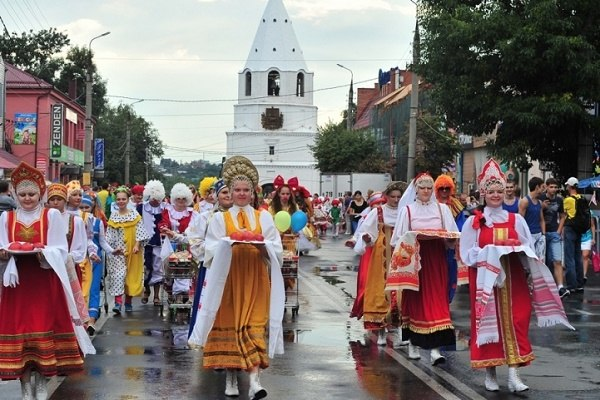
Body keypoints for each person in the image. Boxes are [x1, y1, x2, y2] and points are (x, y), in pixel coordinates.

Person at [460, 159, 573, 393]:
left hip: (514, 279)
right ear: (483, 193)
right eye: (490, 191)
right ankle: (490, 372)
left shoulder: (516, 220)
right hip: (486, 282)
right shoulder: (474, 222)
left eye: (499, 191)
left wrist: (520, 253)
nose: (495, 195)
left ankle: (514, 374)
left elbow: (527, 247)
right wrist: (487, 253)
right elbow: (466, 255)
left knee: (518, 320)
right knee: (489, 327)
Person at [189, 156, 284, 399]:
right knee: (232, 327)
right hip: (229, 280)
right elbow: (209, 251)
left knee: (254, 326)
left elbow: (276, 248)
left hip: (255, 279)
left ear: (253, 192)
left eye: (246, 190)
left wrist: (262, 246)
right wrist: (228, 244)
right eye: (237, 190)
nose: (242, 194)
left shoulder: (263, 217)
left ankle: (254, 382)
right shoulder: (220, 218)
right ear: (230, 192)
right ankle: (231, 376)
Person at [0, 162, 94, 399]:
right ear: (14, 194)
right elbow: (3, 246)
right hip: (18, 284)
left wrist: (45, 253)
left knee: (43, 329)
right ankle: (24, 386)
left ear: (40, 193)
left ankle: (42, 382)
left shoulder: (51, 215)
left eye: (32, 194)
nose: (27, 198)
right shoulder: (6, 218)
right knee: (20, 331)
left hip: (44, 281)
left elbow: (61, 250)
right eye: (22, 194)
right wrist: (3, 253)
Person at [389, 173, 459, 366]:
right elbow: (398, 238)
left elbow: (451, 234)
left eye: (429, 188)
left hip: (436, 257)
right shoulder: (408, 211)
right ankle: (413, 342)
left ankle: (436, 350)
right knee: (415, 299)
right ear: (416, 190)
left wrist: (451, 240)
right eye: (422, 188)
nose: (426, 191)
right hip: (415, 258)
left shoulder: (443, 209)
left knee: (438, 299)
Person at [351, 182, 404, 346]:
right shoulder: (378, 212)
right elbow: (367, 232)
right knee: (380, 292)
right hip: (381, 256)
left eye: (398, 197)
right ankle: (380, 332)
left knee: (401, 293)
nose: (395, 200)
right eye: (392, 197)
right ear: (386, 197)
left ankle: (402, 332)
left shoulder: (404, 212)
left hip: (400, 255)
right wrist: (367, 238)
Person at [186, 178, 232, 338]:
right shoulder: (205, 217)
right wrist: (218, 250)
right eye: (224, 192)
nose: (228, 196)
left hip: (235, 270)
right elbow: (195, 242)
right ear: (217, 196)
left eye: (230, 192)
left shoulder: (242, 217)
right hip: (211, 268)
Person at [106, 186, 151, 314]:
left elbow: (140, 231)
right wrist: (113, 248)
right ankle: (118, 303)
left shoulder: (134, 214)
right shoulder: (113, 216)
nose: (121, 201)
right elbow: (109, 235)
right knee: (118, 276)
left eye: (123, 199)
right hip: (118, 252)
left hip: (132, 250)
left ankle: (128, 302)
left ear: (128, 199)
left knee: (130, 276)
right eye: (118, 199)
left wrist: (137, 245)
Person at [158, 183, 196, 304]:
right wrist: (165, 229)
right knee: (169, 269)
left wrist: (184, 234)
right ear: (174, 199)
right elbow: (163, 223)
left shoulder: (192, 213)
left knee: (182, 269)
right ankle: (170, 286)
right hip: (170, 245)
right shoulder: (168, 211)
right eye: (178, 198)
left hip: (184, 246)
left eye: (184, 199)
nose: (181, 201)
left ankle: (181, 294)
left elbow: (194, 229)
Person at [434, 174, 467, 302]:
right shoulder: (432, 204)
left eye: (447, 188)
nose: (444, 191)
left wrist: (453, 237)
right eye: (441, 188)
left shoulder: (455, 204)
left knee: (451, 273)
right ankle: (437, 300)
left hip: (452, 245)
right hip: (435, 244)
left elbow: (461, 225)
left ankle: (447, 299)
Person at [137, 180, 166, 306]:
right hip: (144, 242)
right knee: (145, 268)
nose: (155, 201)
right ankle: (146, 290)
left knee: (158, 268)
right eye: (154, 198)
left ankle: (156, 295)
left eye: (158, 199)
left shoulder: (164, 208)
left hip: (159, 243)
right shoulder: (141, 207)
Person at [539, 178, 568, 297]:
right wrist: (543, 207)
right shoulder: (541, 198)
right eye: (551, 187)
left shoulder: (559, 200)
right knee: (544, 262)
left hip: (554, 233)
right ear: (546, 187)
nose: (554, 190)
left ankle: (560, 287)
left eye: (556, 187)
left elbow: (562, 216)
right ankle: (544, 286)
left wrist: (559, 231)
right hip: (542, 234)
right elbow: (536, 214)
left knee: (557, 260)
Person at [559, 177, 585, 293]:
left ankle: (571, 284)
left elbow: (563, 214)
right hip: (579, 229)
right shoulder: (582, 199)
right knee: (577, 256)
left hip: (570, 228)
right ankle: (579, 283)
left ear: (569, 186)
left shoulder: (568, 200)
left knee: (569, 258)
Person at [518, 177, 546, 260]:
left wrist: (543, 234)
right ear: (537, 187)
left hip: (539, 234)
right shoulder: (525, 201)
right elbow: (520, 221)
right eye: (542, 187)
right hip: (529, 235)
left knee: (540, 260)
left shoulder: (539, 202)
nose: (544, 190)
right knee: (530, 261)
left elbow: (541, 219)